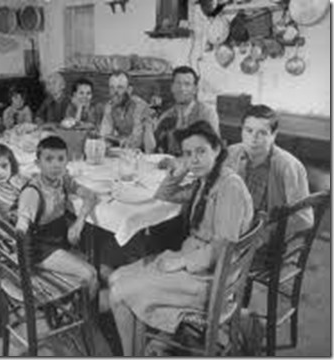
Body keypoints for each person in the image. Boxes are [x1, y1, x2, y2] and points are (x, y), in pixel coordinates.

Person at [108, 121, 254, 356]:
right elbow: (165, 195)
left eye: (200, 151)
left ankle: (130, 354)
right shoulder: (205, 180)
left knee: (118, 292)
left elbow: (223, 247)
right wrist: (181, 170)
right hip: (193, 260)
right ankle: (137, 349)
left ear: (217, 150)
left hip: (211, 278)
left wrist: (181, 262)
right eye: (188, 154)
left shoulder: (230, 186)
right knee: (115, 278)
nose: (194, 159)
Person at [16, 136, 99, 298]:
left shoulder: (62, 180)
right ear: (38, 163)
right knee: (90, 274)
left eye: (61, 159)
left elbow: (90, 196)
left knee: (97, 266)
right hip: (39, 249)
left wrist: (79, 222)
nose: (56, 164)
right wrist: (28, 274)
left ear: (67, 161)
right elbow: (21, 233)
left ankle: (80, 307)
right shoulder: (32, 192)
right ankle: (85, 318)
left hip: (58, 240)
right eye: (49, 159)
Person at [224, 104, 313, 237]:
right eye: (249, 131)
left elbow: (304, 219)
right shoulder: (230, 153)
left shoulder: (289, 166)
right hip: (231, 227)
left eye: (262, 133)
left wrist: (265, 233)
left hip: (266, 238)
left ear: (274, 135)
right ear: (241, 131)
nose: (253, 139)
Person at [154, 66, 220, 157]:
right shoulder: (166, 115)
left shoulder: (207, 113)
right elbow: (157, 147)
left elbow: (212, 149)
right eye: (178, 83)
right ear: (172, 88)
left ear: (195, 89)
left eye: (187, 84)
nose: (182, 89)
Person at [99, 71, 155, 152]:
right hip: (123, 152)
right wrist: (114, 140)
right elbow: (104, 135)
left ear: (129, 90)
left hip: (143, 154)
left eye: (120, 87)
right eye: (112, 88)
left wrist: (114, 139)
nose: (115, 92)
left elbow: (135, 142)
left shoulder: (140, 107)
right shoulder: (110, 106)